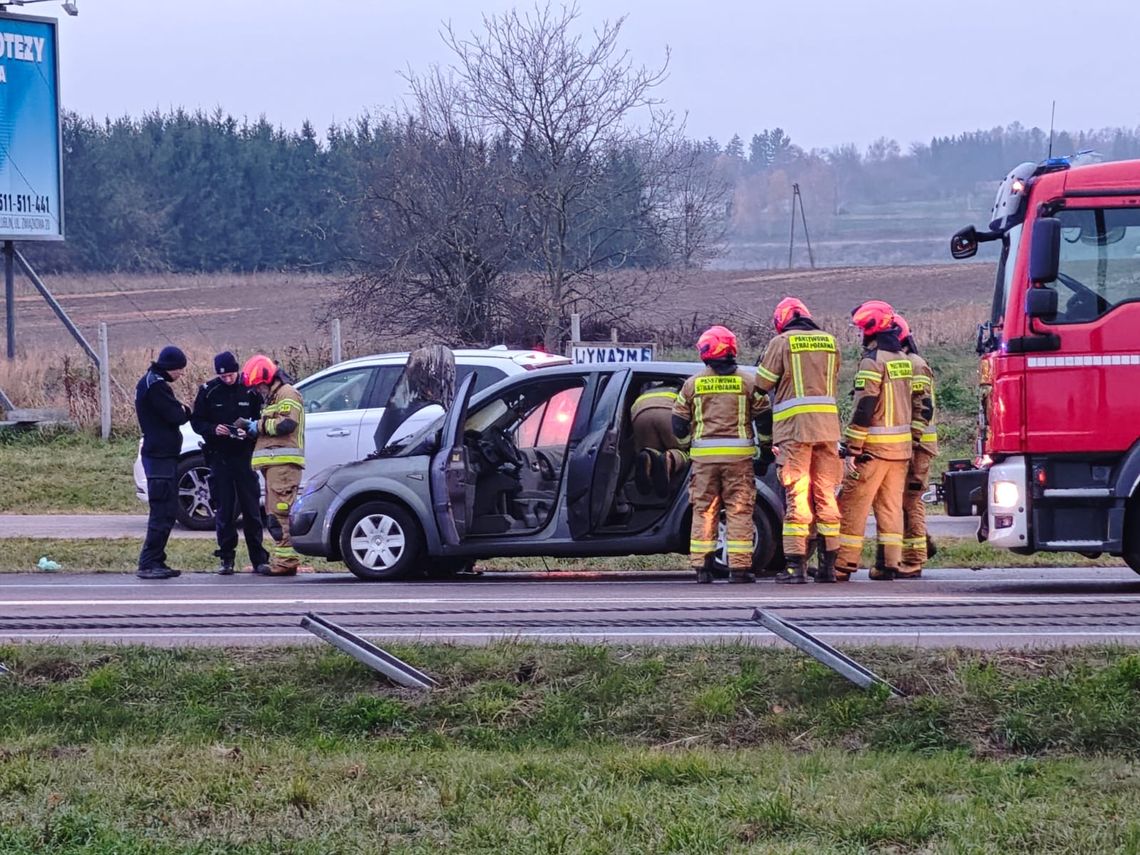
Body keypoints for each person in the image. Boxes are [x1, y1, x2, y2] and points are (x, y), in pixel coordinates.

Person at [754, 297, 843, 584]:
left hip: (795, 432)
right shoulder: (830, 342)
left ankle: (795, 567)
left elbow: (762, 384)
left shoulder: (782, 343)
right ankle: (829, 568)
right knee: (826, 496)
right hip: (828, 431)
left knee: (797, 497)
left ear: (782, 321)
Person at [672, 325, 768, 584]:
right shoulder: (748, 381)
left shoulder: (693, 384)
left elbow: (678, 423)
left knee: (704, 510)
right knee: (739, 510)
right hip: (739, 461)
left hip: (704, 462)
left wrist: (686, 447)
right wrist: (767, 452)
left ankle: (702, 568)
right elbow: (764, 419)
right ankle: (739, 570)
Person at [836, 300, 914, 581]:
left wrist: (853, 446)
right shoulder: (903, 360)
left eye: (860, 329)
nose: (859, 335)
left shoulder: (873, 360)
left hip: (875, 448)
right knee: (890, 507)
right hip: (901, 449)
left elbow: (865, 405)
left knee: (853, 505)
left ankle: (842, 564)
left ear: (869, 329)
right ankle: (889, 564)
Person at [190, 351, 270, 576]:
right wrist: (213, 429)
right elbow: (197, 421)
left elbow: (260, 419)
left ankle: (259, 558)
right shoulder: (209, 391)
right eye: (223, 376)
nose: (227, 379)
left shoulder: (249, 389)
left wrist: (249, 432)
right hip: (219, 456)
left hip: (244, 456)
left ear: (238, 371)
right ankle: (226, 558)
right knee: (224, 509)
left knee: (252, 510)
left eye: (231, 375)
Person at [238, 354, 305, 577]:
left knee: (280, 514)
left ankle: (286, 562)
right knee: (275, 514)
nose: (258, 391)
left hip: (283, 466)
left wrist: (257, 426)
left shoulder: (287, 393)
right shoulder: (274, 397)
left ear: (267, 379)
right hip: (276, 466)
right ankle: (284, 559)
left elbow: (287, 423)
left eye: (259, 386)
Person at [135, 345, 192, 580]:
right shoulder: (157, 386)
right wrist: (185, 409)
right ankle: (149, 562)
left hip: (161, 456)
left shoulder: (149, 382)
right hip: (159, 458)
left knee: (167, 511)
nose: (180, 374)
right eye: (179, 369)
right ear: (170, 367)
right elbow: (177, 416)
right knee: (162, 511)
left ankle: (157, 560)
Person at [896, 314, 938, 578]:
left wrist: (912, 441)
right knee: (900, 501)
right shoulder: (903, 363)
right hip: (908, 445)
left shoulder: (916, 365)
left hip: (918, 447)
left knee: (911, 501)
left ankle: (913, 560)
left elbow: (924, 407)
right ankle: (923, 544)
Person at [630, 381, 688, 496]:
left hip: (640, 411)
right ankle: (669, 458)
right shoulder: (681, 388)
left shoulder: (649, 390)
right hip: (668, 411)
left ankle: (648, 456)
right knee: (684, 451)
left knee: (652, 448)